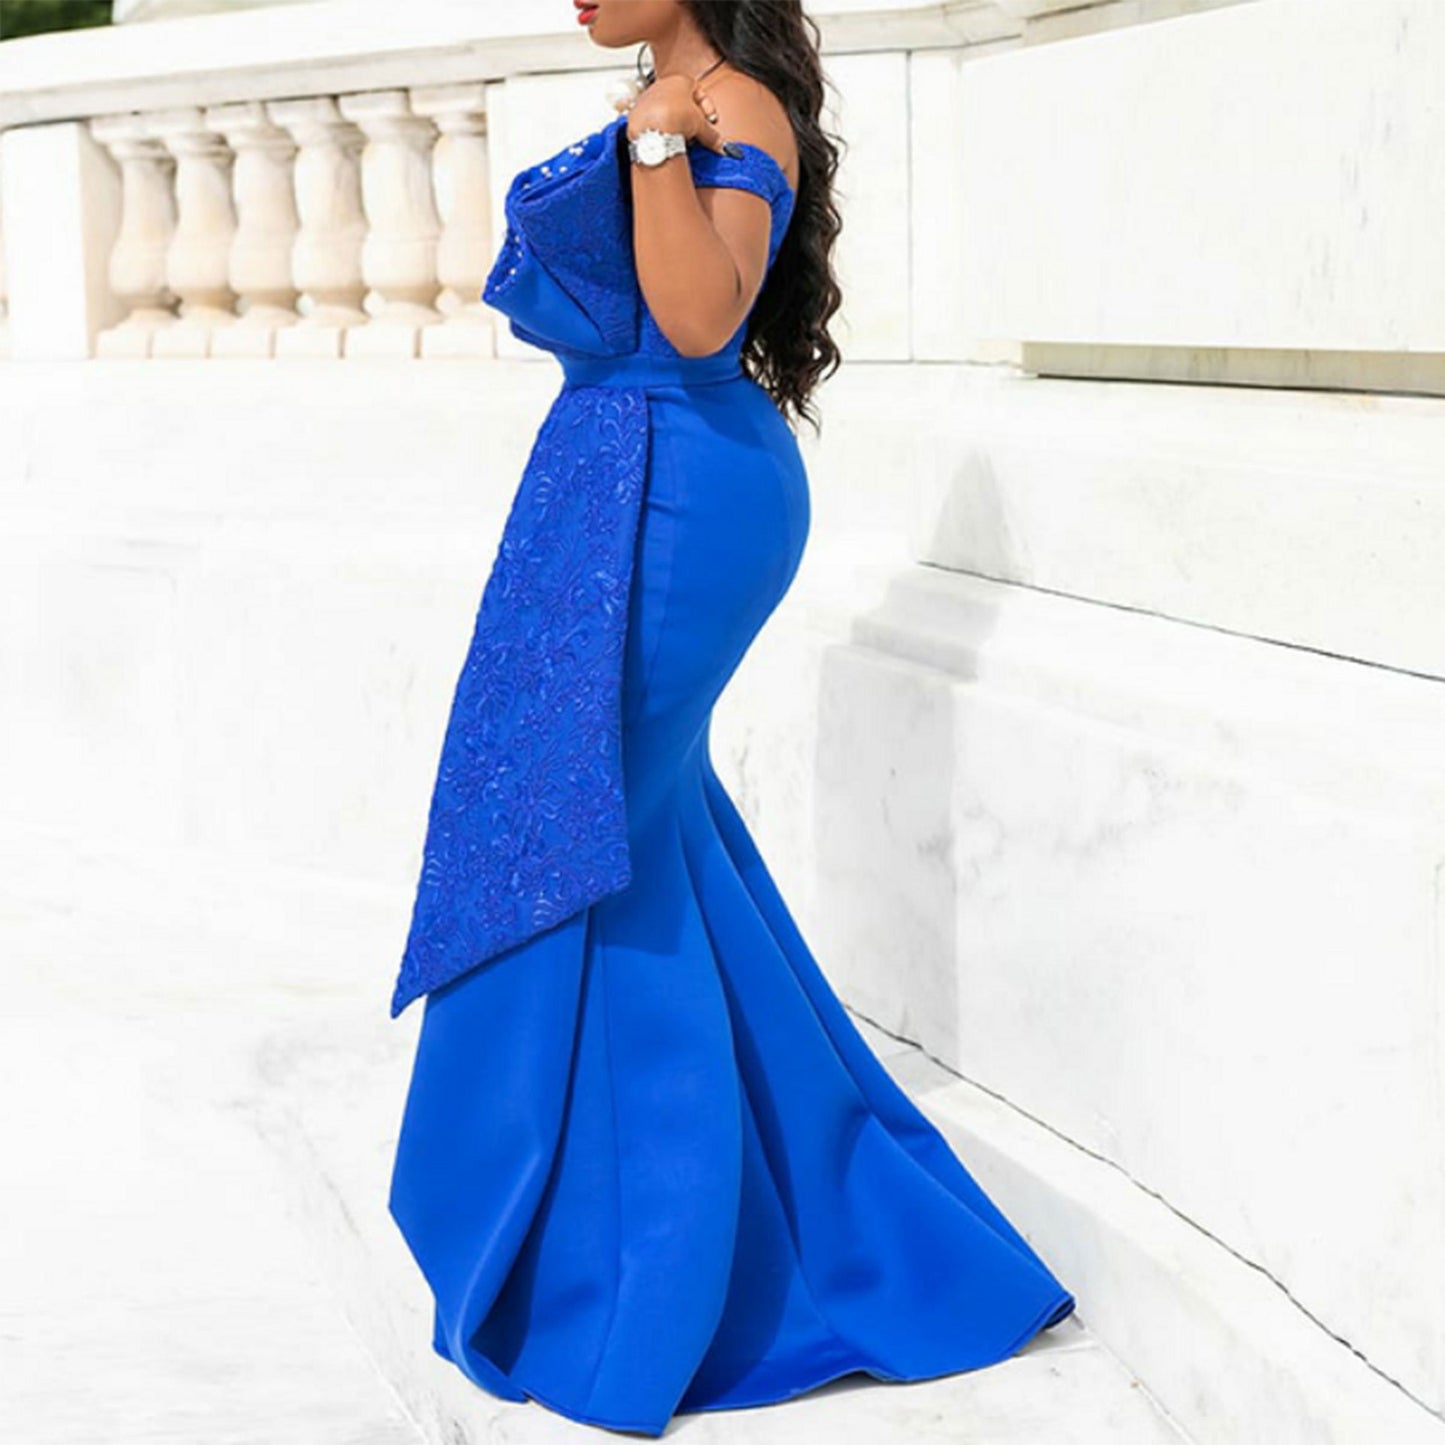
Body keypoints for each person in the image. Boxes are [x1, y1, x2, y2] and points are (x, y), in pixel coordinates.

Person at [386, 1, 1077, 1435]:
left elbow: (702, 315)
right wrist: (649, 121)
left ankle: (647, 1282)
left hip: (677, 496)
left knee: (582, 846)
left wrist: (650, 145)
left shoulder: (731, 102)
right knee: (629, 839)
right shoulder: (673, 86)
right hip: (605, 484)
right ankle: (828, 1227)